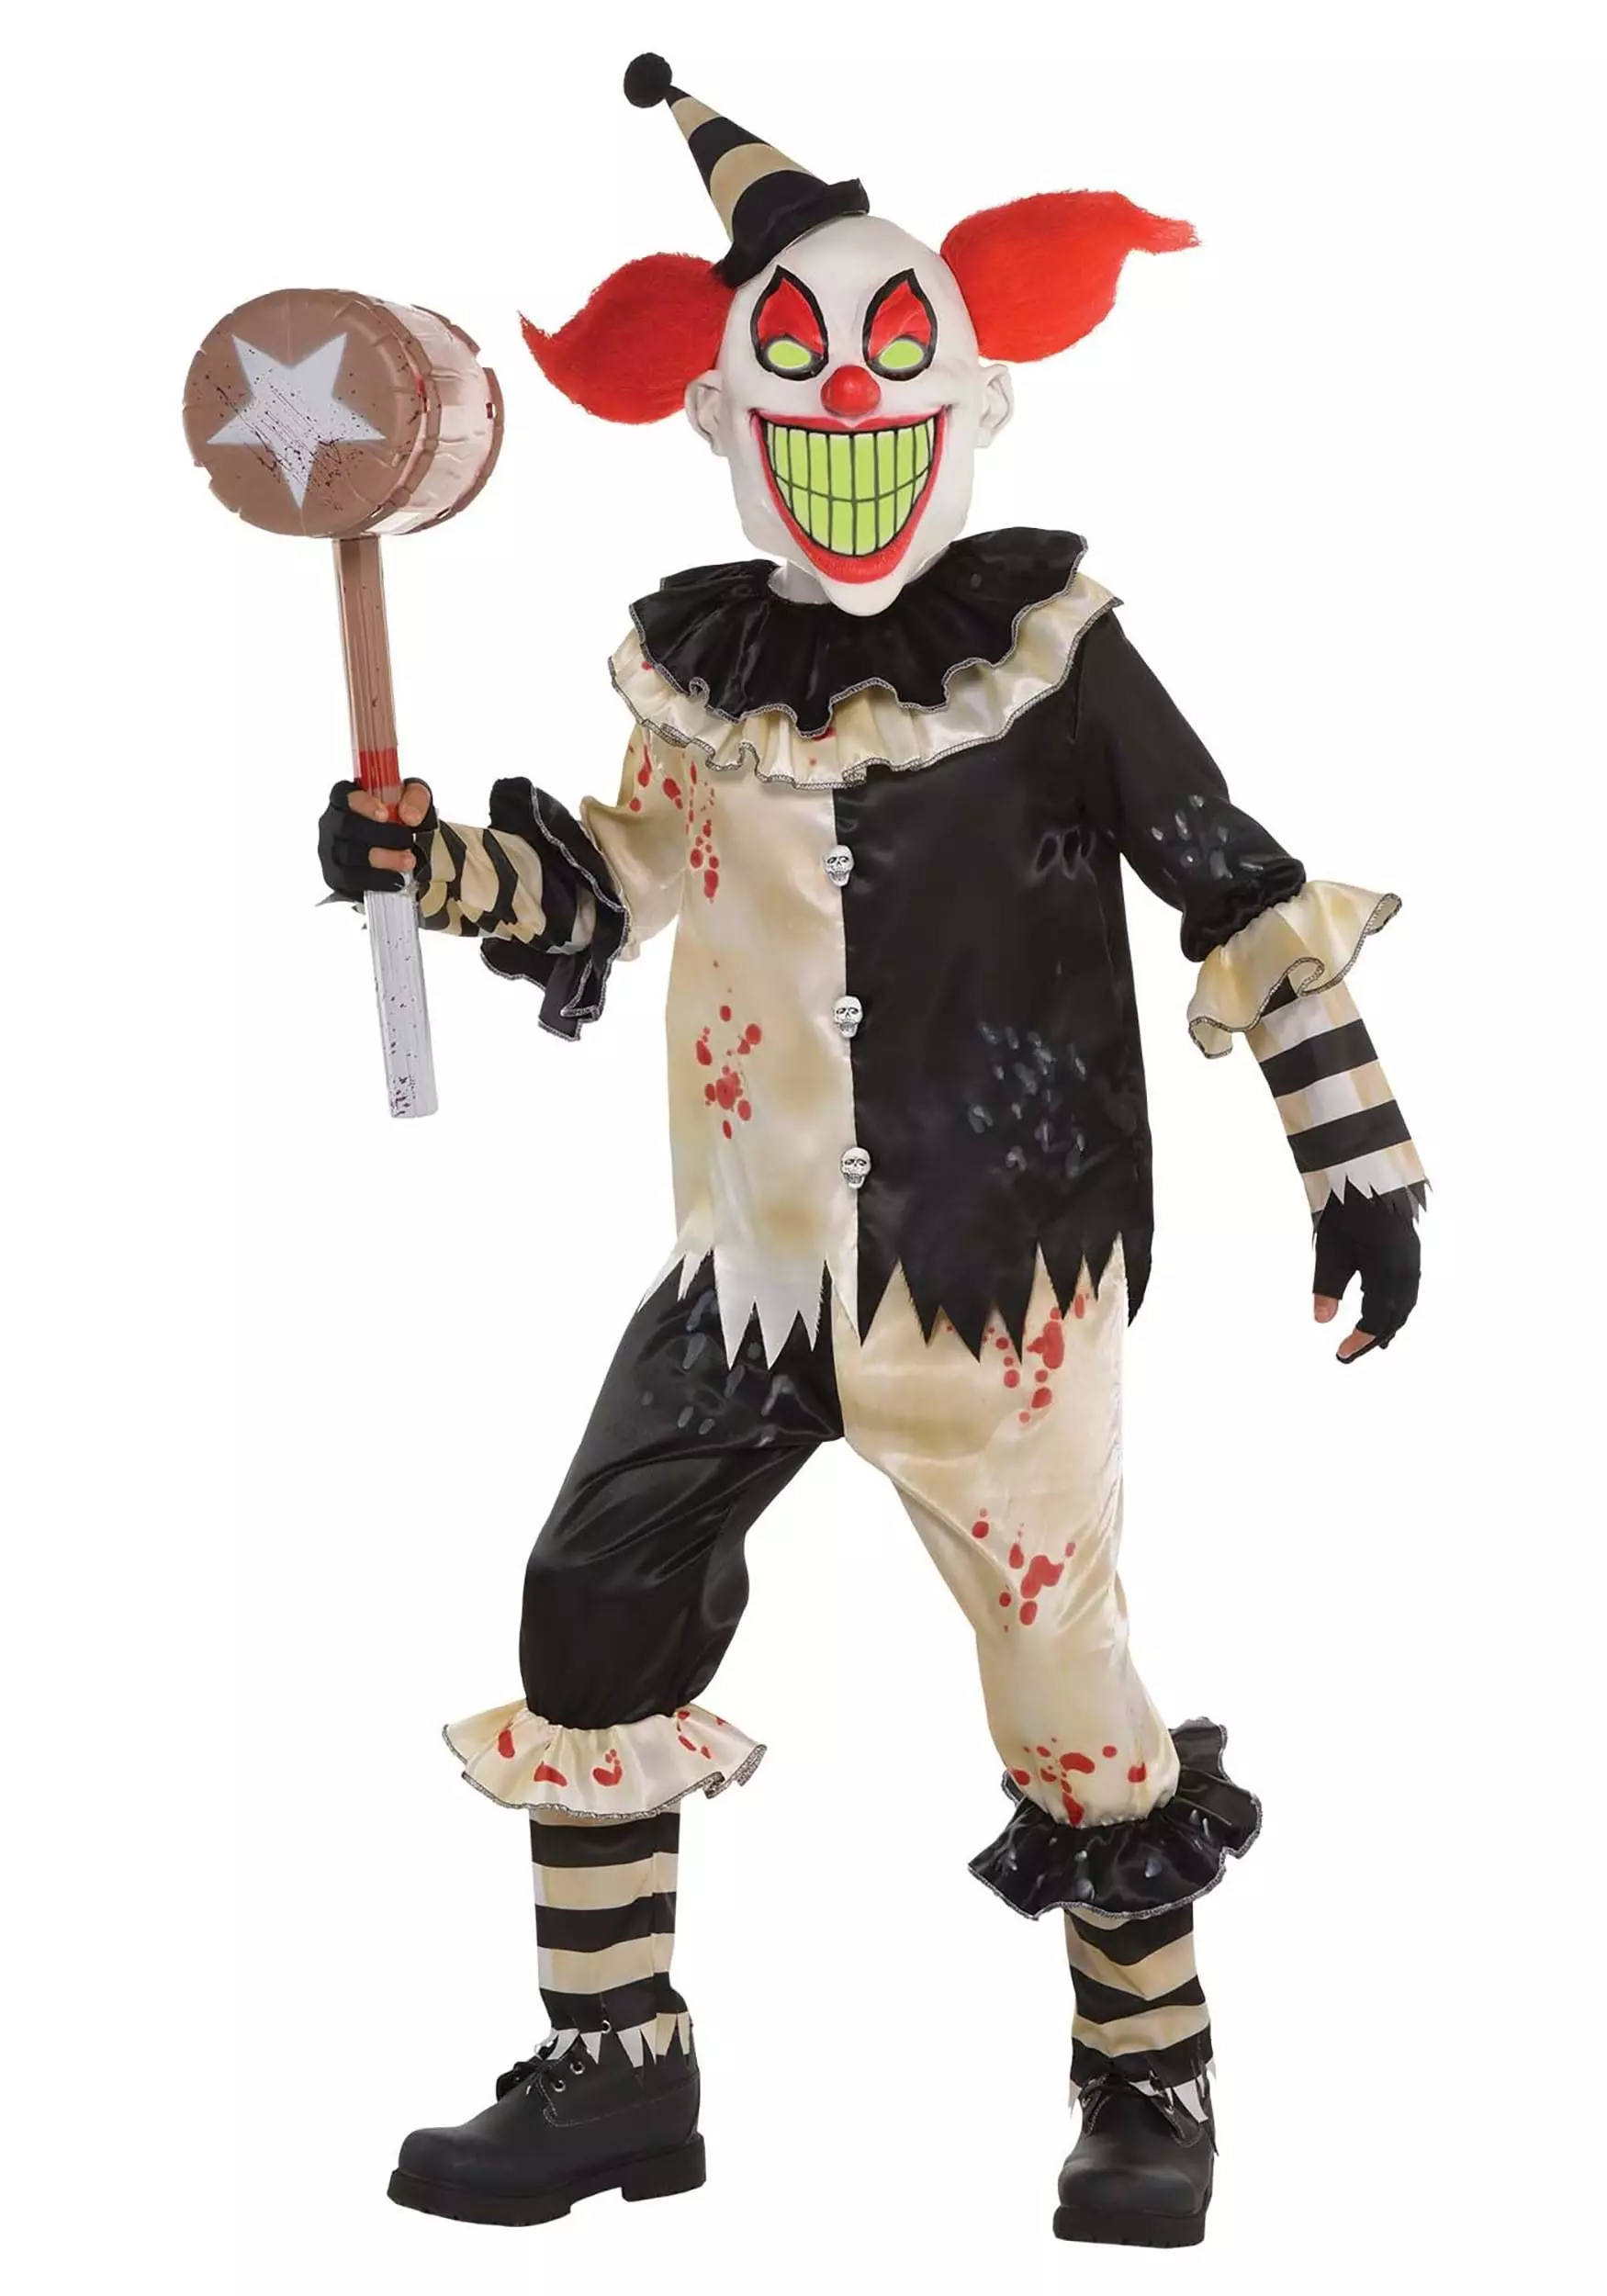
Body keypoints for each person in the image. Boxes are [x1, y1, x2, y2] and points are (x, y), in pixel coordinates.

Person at [317, 54, 1424, 2245]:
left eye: (889, 351)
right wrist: (431, 862)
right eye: (795, 369)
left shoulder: (1051, 653)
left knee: (1058, 1670)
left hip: (993, 1286)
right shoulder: (695, 670)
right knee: (592, 1593)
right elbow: (616, 876)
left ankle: (1146, 2080)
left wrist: (1354, 1149)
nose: (843, 399)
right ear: (721, 416)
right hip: (743, 1277)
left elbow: (1222, 875)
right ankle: (617, 2071)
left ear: (972, 395)